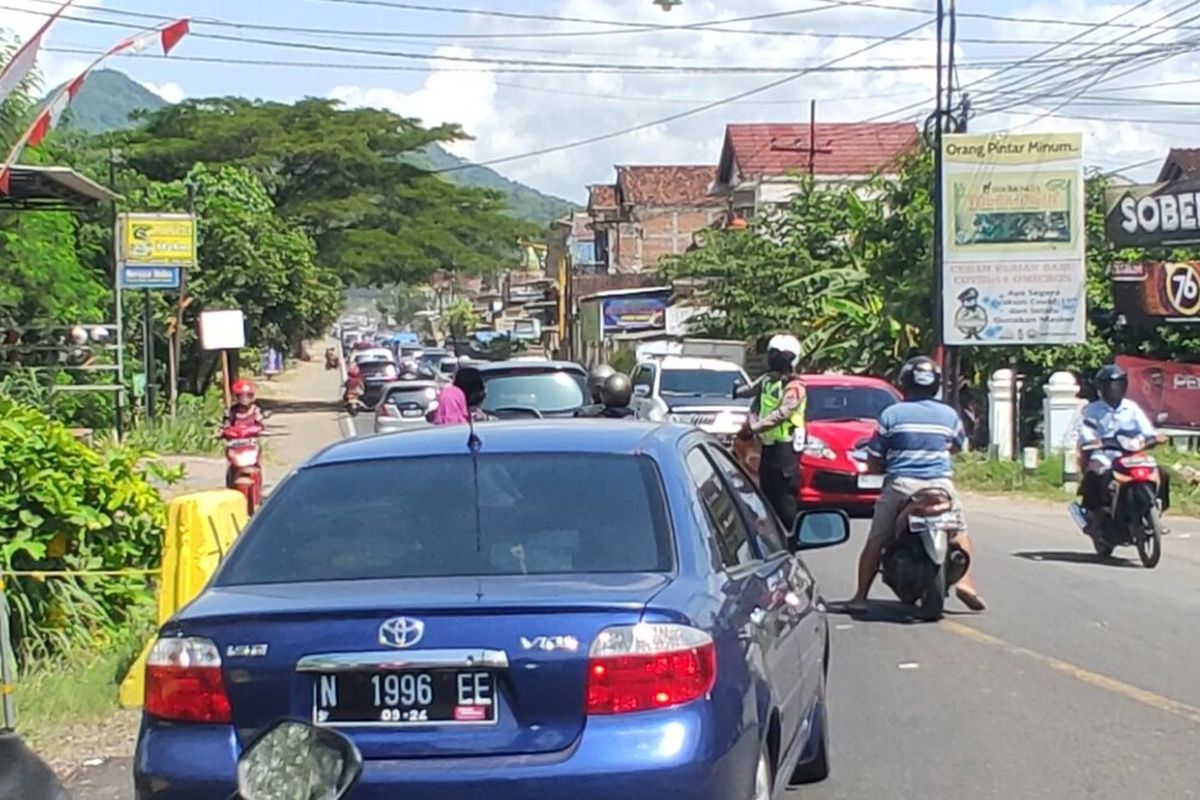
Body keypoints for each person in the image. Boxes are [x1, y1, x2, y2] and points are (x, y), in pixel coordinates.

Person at [846, 355, 985, 615]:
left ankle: (860, 596)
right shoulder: (948, 414)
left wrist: (877, 469)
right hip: (940, 485)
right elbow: (957, 446)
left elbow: (876, 455)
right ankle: (966, 583)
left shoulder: (892, 414)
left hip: (903, 485)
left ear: (906, 383)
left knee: (877, 538)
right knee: (959, 531)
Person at [1075, 364, 1161, 532]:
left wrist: (1151, 439)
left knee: (1160, 473)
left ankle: (1156, 510)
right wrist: (1094, 441)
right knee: (1097, 475)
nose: (1114, 389)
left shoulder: (1131, 408)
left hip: (1131, 453)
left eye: (1118, 385)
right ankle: (1097, 515)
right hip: (1104, 454)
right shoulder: (1092, 410)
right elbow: (1086, 431)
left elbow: (1147, 430)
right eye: (1110, 385)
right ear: (1101, 388)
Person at [736, 334, 807, 528]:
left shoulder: (794, 386)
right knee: (766, 492)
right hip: (767, 447)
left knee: (784, 497)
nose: (776, 360)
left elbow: (783, 413)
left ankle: (787, 534)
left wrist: (757, 426)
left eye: (781, 356)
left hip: (785, 448)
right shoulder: (767, 380)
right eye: (774, 354)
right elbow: (751, 390)